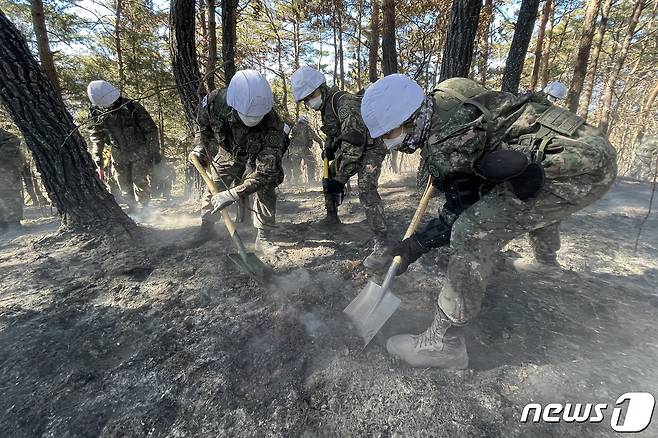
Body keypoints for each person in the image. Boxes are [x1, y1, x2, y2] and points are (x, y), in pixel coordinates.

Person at [360, 74, 617, 368]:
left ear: (407, 118)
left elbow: (461, 213)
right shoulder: (449, 92)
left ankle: (444, 344)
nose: (386, 141)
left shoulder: (447, 145)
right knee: (519, 190)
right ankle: (545, 263)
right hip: (583, 144)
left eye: (388, 133)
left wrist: (416, 244)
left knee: (473, 231)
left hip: (579, 170)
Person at [290, 66, 389, 267]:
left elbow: (353, 146)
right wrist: (329, 149)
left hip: (371, 148)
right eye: (305, 99)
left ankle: (383, 241)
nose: (309, 101)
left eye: (311, 95)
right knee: (328, 177)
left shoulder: (344, 103)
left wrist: (341, 179)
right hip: (352, 148)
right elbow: (335, 133)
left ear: (321, 88)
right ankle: (332, 217)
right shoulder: (326, 108)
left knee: (366, 187)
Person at [190, 69, 288, 250]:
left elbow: (266, 173)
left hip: (256, 158)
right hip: (227, 153)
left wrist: (233, 193)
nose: (251, 122)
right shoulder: (215, 101)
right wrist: (200, 146)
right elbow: (203, 126)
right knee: (214, 188)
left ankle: (264, 236)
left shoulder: (273, 125)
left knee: (266, 188)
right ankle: (207, 228)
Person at [87, 80, 161, 210]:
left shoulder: (131, 107)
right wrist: (97, 156)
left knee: (139, 180)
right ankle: (132, 210)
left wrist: (154, 151)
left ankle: (145, 210)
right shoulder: (95, 113)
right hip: (118, 153)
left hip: (140, 151)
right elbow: (96, 136)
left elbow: (150, 129)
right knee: (123, 184)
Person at [285, 116, 323, 185]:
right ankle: (311, 180)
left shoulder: (294, 127)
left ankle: (295, 181)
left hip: (294, 150)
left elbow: (289, 138)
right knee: (311, 162)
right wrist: (320, 143)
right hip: (304, 149)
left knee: (296, 165)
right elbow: (314, 136)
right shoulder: (306, 127)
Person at [0, 128, 24, 234]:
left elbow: (14, 140)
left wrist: (1, 157)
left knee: (9, 194)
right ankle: (3, 225)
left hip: (7, 169)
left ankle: (14, 224)